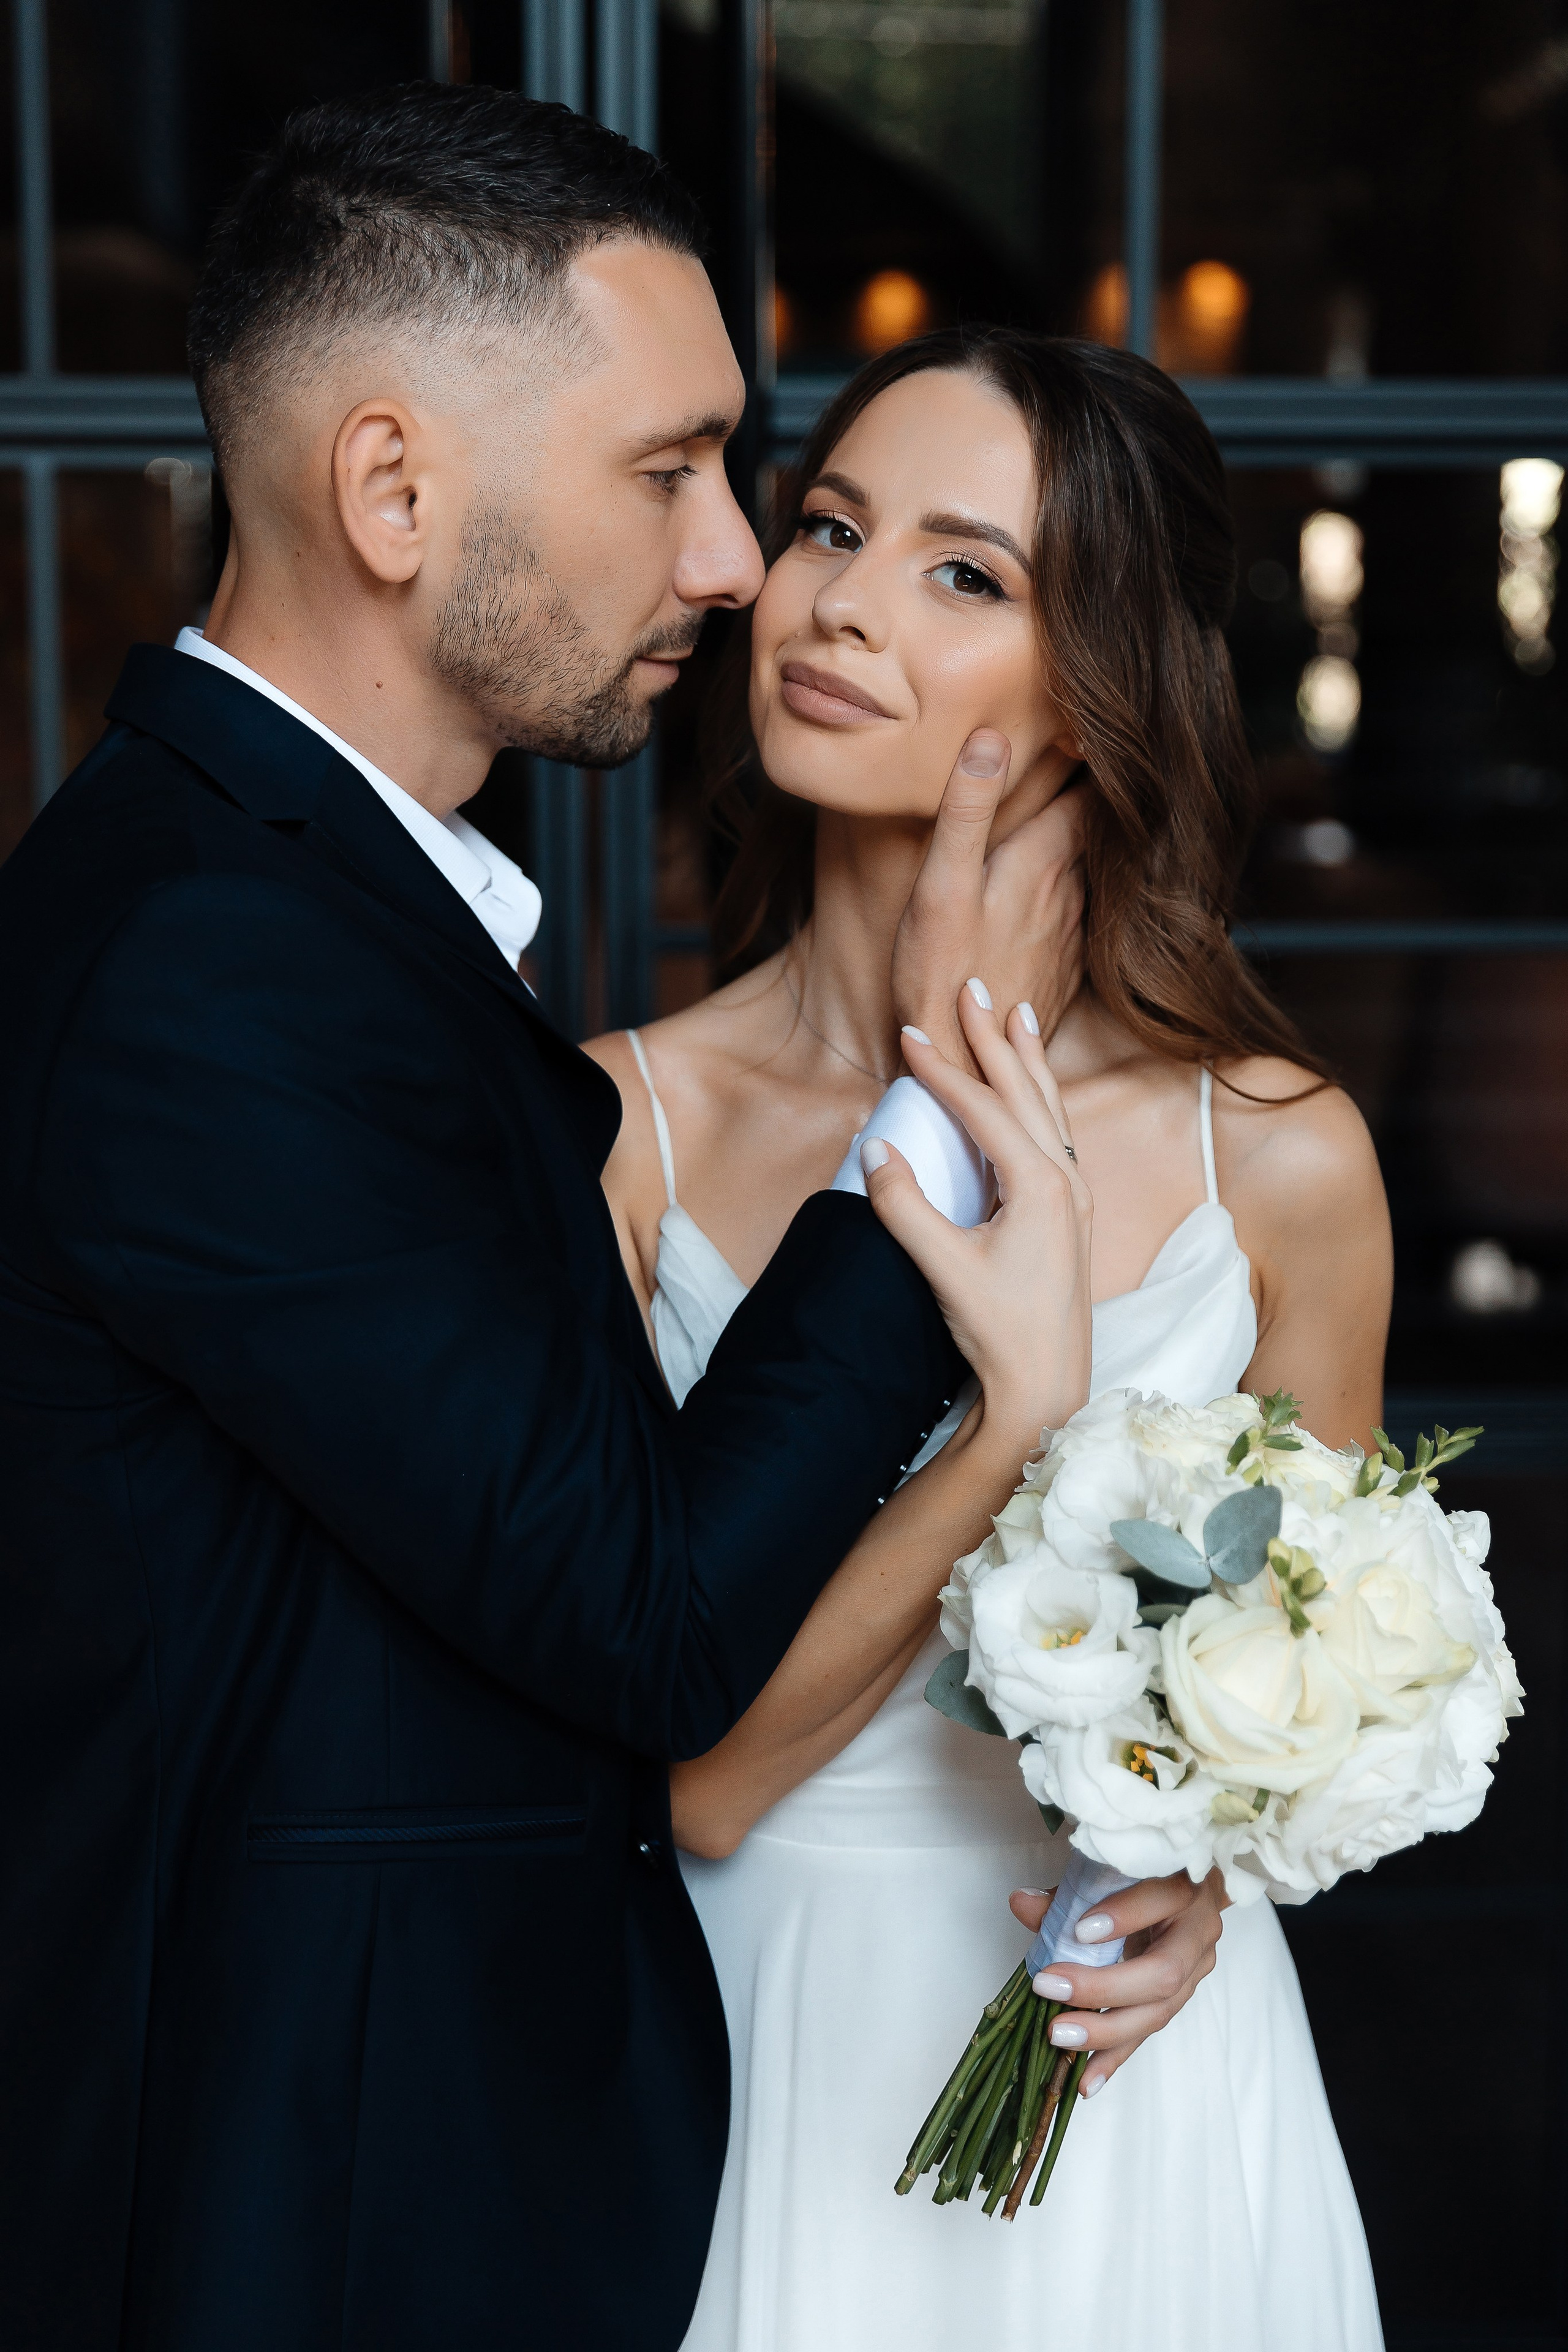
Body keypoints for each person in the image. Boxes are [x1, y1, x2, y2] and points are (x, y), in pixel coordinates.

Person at [0, 97, 1093, 2352]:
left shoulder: (304, 920)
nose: (730, 563)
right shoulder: (220, 969)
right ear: (394, 493)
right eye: (668, 470)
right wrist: (941, 1099)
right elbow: (648, 1614)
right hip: (298, 2223)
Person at [587, 330, 1393, 2351]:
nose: (835, 601)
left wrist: (1215, 1879)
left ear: (1100, 682)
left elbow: (1336, 1672)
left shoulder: (1275, 1156)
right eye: (831, 527)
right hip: (759, 2035)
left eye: (965, 573)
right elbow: (688, 1787)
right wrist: (1014, 1408)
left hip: (1136, 2083)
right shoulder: (623, 1139)